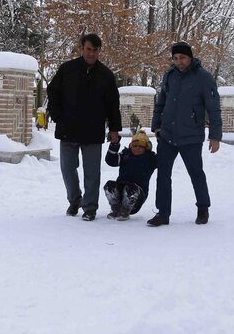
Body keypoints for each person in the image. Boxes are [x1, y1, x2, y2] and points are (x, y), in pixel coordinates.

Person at [46, 33, 122, 221]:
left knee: (92, 172)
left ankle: (90, 207)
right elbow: (53, 91)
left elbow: (113, 104)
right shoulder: (67, 69)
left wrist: (114, 129)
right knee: (67, 169)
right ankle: (74, 200)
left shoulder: (106, 75)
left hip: (93, 130)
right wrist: (57, 115)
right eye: (88, 49)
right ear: (82, 48)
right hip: (68, 128)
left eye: (95, 50)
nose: (91, 54)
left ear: (99, 51)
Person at [148, 41, 222, 227]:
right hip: (167, 134)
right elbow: (161, 103)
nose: (179, 61)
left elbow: (213, 108)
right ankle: (163, 213)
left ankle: (203, 208)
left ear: (190, 58)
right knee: (163, 174)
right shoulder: (169, 75)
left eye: (182, 58)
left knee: (196, 173)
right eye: (175, 58)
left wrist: (215, 136)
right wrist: (156, 125)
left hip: (191, 135)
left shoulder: (203, 77)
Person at [103, 131, 158, 220]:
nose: (137, 148)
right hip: (121, 191)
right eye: (135, 146)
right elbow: (111, 160)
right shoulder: (125, 155)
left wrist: (161, 141)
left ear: (146, 147)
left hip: (137, 195)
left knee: (130, 188)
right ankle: (116, 208)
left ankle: (125, 211)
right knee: (110, 185)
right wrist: (114, 145)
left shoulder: (150, 158)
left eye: (141, 146)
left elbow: (162, 160)